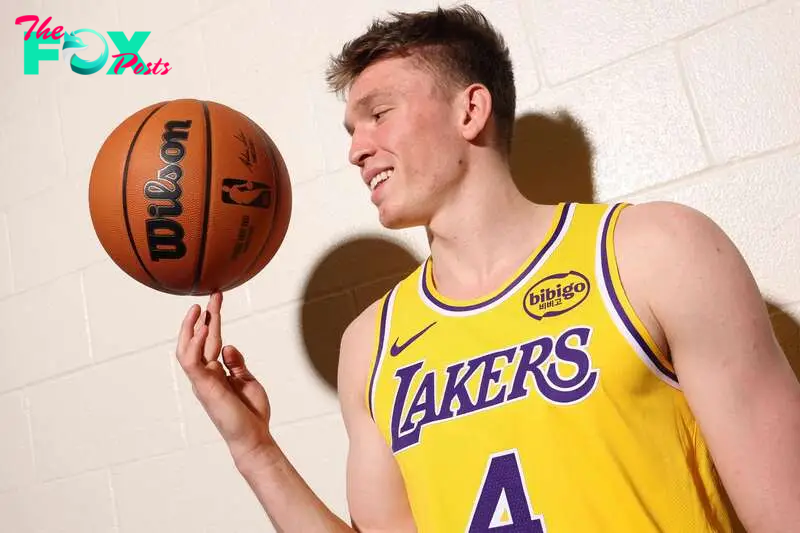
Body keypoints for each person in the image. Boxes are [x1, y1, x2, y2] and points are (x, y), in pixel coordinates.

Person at [175, 5, 800, 532]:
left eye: (379, 113)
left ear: (470, 110)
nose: (356, 148)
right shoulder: (371, 344)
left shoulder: (653, 252)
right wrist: (252, 448)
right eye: (351, 128)